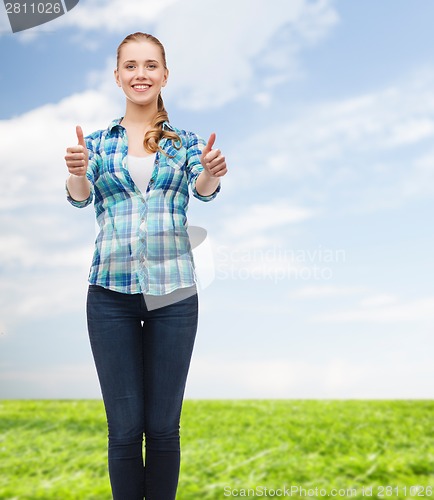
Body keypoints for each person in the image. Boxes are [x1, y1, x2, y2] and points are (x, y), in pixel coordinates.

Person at [64, 32, 227, 500]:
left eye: (150, 66)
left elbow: (204, 189)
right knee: (123, 429)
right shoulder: (96, 143)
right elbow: (79, 199)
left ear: (164, 75)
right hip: (109, 294)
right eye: (131, 66)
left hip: (173, 293)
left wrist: (212, 171)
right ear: (118, 76)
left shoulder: (185, 142)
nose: (141, 74)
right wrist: (77, 172)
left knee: (161, 428)